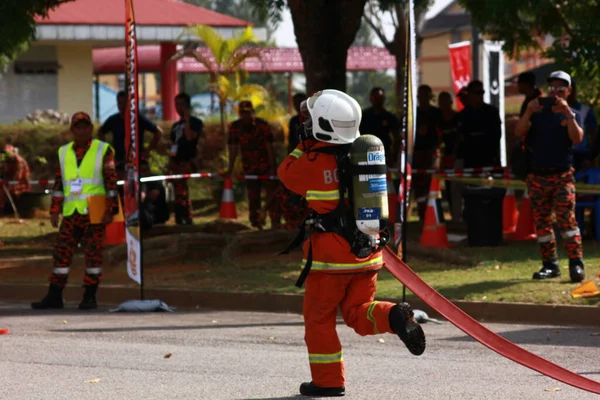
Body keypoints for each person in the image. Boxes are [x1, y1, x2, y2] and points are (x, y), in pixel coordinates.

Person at [278, 89, 426, 397]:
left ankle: (329, 382)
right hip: (367, 253)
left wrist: (300, 145)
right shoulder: (365, 155)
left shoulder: (312, 160)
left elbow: (285, 174)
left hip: (329, 261)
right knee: (360, 312)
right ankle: (394, 315)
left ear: (320, 125)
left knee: (319, 320)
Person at [32, 112, 119, 310]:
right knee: (61, 253)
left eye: (86, 126)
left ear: (91, 128)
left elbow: (111, 182)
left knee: (93, 255)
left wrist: (111, 209)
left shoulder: (103, 150)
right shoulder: (64, 152)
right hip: (71, 212)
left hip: (95, 209)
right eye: (78, 127)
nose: (82, 130)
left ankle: (90, 296)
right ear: (72, 130)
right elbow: (59, 182)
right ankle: (54, 295)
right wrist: (55, 209)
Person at [514, 70, 586, 283]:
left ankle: (576, 264)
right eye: (552, 87)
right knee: (542, 224)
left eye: (560, 88)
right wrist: (527, 112)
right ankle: (550, 265)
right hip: (537, 176)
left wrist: (567, 114)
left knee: (567, 221)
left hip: (562, 176)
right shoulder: (536, 111)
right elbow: (518, 132)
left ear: (568, 91)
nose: (555, 92)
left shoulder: (572, 113)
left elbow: (578, 139)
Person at [227, 100, 280, 230]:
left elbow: (269, 148)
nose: (246, 116)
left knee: (272, 195)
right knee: (253, 196)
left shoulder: (262, 125)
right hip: (249, 167)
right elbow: (233, 150)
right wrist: (230, 168)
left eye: (248, 112)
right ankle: (256, 223)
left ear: (253, 112)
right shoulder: (235, 127)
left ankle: (275, 221)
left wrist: (273, 168)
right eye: (243, 113)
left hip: (265, 166)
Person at [97, 91, 163, 182]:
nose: (122, 106)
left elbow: (158, 132)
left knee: (142, 185)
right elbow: (101, 132)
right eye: (120, 103)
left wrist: (148, 150)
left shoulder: (138, 118)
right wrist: (108, 150)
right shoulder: (113, 120)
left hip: (137, 161)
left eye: (124, 103)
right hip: (119, 161)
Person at [169, 92, 203, 225]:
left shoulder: (195, 122)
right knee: (178, 191)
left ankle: (187, 217)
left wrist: (187, 118)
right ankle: (180, 216)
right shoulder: (175, 126)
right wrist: (170, 162)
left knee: (182, 189)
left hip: (188, 160)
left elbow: (190, 137)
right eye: (176, 105)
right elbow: (173, 145)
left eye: (182, 105)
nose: (179, 108)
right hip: (176, 161)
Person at [456, 80, 502, 169]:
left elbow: (497, 135)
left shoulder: (491, 112)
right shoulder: (463, 114)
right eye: (477, 93)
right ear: (469, 94)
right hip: (470, 159)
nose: (480, 95)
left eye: (482, 92)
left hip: (489, 158)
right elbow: (460, 137)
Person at [413, 84, 442, 221]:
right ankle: (421, 213)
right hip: (416, 153)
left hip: (431, 153)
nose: (423, 98)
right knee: (418, 184)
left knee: (431, 183)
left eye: (426, 95)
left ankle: (432, 214)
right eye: (421, 95)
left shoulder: (436, 113)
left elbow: (441, 134)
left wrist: (437, 152)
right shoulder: (414, 113)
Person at [359, 87, 402, 168]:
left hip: (383, 153)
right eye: (375, 97)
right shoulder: (363, 116)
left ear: (384, 99)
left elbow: (397, 138)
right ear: (370, 98)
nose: (377, 100)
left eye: (380, 97)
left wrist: (394, 156)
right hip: (365, 152)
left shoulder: (390, 117)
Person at [438, 91, 461, 221]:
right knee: (448, 186)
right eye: (441, 102)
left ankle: (460, 215)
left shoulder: (458, 118)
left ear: (451, 102)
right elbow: (439, 139)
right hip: (446, 157)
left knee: (457, 187)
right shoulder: (439, 120)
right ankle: (453, 215)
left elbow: (460, 138)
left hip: (457, 157)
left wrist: (455, 154)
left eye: (446, 101)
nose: (443, 105)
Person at [568, 79, 598, 171]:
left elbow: (594, 135)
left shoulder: (585, 110)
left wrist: (590, 157)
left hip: (580, 155)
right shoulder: (552, 110)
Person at [0, 141, 31, 216]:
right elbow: (5, 172)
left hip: (20, 184)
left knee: (10, 192)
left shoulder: (18, 161)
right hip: (9, 182)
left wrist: (9, 184)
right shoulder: (7, 161)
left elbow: (18, 176)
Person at [139, 160, 170, 229]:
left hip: (157, 213)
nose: (143, 173)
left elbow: (153, 195)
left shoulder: (155, 179)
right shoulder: (141, 180)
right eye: (140, 171)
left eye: (144, 170)